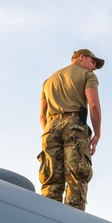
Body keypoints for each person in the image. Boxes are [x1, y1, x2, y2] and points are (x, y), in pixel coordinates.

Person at [38, 49, 104, 210]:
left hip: (49, 128)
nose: (94, 67)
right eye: (93, 62)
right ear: (81, 57)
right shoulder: (87, 76)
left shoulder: (49, 81)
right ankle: (72, 222)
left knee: (51, 179)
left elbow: (42, 114)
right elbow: (94, 105)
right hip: (74, 126)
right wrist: (97, 133)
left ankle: (47, 218)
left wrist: (49, 129)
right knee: (76, 176)